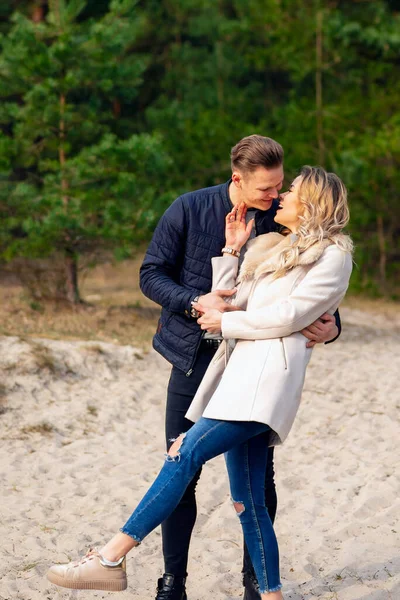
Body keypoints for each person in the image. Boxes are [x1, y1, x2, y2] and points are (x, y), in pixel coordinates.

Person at [47, 165, 353, 600]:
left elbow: (292, 316)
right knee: (247, 502)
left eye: (290, 190)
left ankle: (110, 558)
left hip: (264, 385)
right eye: (274, 187)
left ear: (314, 204)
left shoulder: (332, 255)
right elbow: (235, 300)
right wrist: (231, 254)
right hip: (231, 376)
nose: (280, 194)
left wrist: (232, 321)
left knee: (184, 454)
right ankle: (270, 595)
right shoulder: (273, 245)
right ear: (237, 177)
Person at [137, 135, 341, 600]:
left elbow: (312, 295)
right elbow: (151, 274)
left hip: (253, 365)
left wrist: (333, 329)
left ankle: (255, 581)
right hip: (192, 357)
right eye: (265, 189)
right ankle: (173, 581)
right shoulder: (188, 209)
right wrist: (193, 301)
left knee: (256, 478)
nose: (274, 197)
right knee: (180, 465)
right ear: (237, 178)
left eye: (279, 187)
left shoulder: (283, 220)